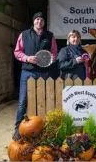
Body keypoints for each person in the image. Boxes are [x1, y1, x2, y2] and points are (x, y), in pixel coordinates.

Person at [13, 12, 58, 140]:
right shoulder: (24, 34)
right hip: (28, 71)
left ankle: (42, 128)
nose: (39, 22)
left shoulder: (50, 36)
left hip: (44, 73)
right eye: (37, 19)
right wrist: (27, 58)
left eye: (42, 20)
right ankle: (17, 129)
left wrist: (49, 59)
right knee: (23, 101)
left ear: (44, 22)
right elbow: (17, 52)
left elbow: (54, 53)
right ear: (33, 21)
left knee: (42, 100)